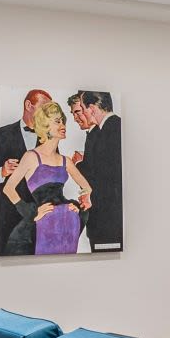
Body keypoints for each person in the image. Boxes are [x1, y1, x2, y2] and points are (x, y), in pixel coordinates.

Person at [2, 96, 85, 256]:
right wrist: (31, 212)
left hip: (67, 223)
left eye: (63, 121)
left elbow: (88, 188)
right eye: (57, 121)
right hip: (43, 224)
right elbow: (8, 188)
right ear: (45, 127)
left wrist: (78, 206)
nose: (63, 125)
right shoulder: (31, 156)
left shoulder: (66, 160)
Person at [0, 89, 47, 255]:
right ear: (28, 105)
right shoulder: (1, 134)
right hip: (9, 215)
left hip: (39, 216)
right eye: (44, 108)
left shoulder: (48, 139)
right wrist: (1, 171)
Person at [68, 91, 121, 252]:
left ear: (91, 108)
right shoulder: (97, 132)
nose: (78, 117)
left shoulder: (109, 129)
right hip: (101, 221)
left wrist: (78, 164)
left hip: (107, 221)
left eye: (80, 110)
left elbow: (107, 177)